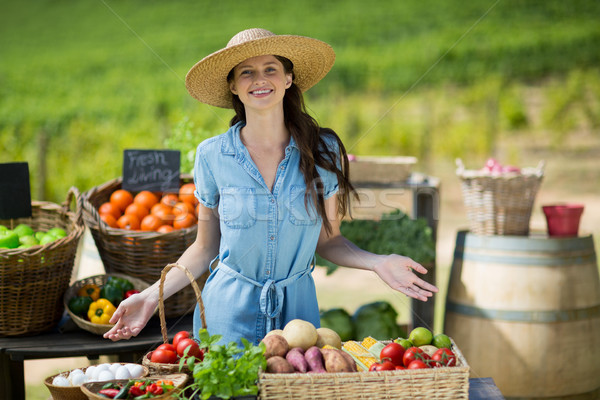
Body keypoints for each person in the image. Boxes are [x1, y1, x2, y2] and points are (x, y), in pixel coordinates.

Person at [104, 28, 438, 345]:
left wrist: (377, 262)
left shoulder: (322, 151)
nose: (260, 79)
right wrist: (149, 298)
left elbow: (330, 240)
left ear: (288, 78)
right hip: (226, 316)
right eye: (246, 72)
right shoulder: (212, 155)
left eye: (270, 68)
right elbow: (205, 249)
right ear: (233, 85)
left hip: (298, 317)